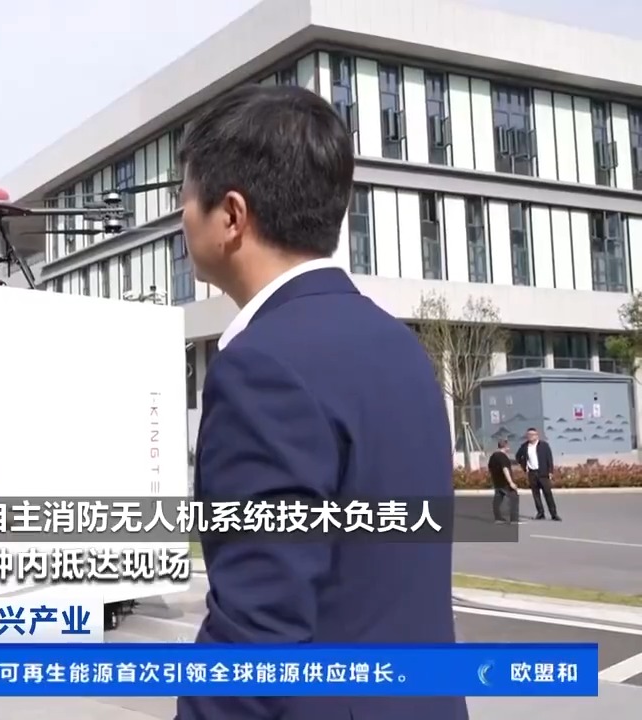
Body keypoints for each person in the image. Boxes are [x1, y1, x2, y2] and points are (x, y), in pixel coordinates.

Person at [175, 85, 467, 720]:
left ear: (231, 215)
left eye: (185, 198)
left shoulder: (261, 368)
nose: (181, 219)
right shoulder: (399, 345)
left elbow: (254, 641)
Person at [514, 427, 560, 521]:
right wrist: (524, 466)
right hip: (532, 473)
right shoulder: (525, 446)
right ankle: (540, 513)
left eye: (532, 435)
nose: (530, 436)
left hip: (543, 473)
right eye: (528, 435)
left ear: (537, 435)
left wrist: (550, 471)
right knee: (536, 494)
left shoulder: (544, 445)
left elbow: (549, 459)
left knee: (548, 494)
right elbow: (518, 457)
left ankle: (553, 514)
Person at [488, 439, 520, 523]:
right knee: (514, 498)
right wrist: (511, 482)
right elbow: (505, 469)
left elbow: (490, 468)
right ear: (506, 447)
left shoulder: (493, 456)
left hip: (497, 482)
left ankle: (498, 518)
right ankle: (514, 519)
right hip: (505, 482)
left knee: (497, 500)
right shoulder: (503, 457)